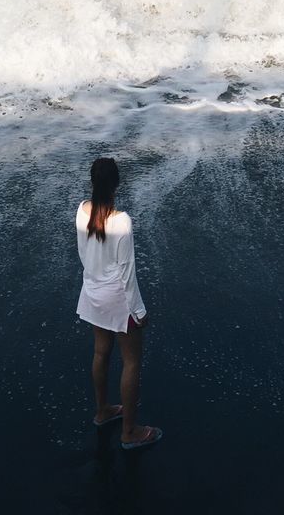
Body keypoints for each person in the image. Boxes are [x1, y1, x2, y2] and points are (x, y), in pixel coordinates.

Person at [75, 156, 163, 450]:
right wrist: (139, 312)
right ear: (117, 184)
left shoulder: (82, 210)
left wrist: (93, 283)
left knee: (101, 353)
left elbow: (84, 254)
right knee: (132, 362)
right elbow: (127, 273)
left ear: (92, 181)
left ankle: (102, 411)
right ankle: (130, 431)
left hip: (92, 292)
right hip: (117, 298)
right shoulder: (121, 221)